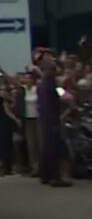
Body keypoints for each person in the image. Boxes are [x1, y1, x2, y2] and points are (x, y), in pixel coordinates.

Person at [36, 55, 72, 187]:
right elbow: (52, 100)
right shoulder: (48, 83)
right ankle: (54, 177)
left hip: (46, 117)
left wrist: (67, 95)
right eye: (52, 68)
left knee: (47, 147)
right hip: (51, 118)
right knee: (53, 148)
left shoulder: (45, 83)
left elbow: (59, 92)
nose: (55, 70)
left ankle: (45, 175)